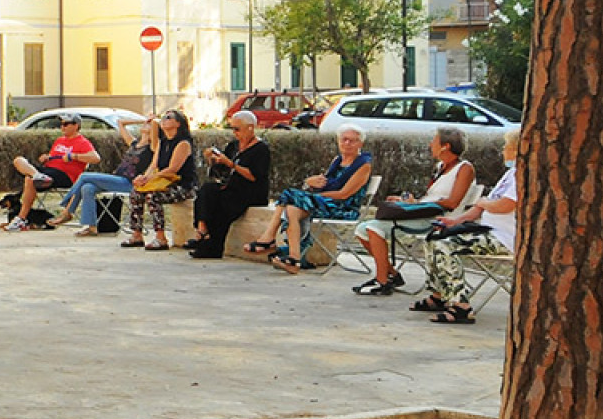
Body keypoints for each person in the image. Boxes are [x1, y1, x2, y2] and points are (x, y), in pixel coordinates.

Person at [349, 127, 477, 295]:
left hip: (440, 220)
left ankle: (382, 281)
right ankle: (392, 274)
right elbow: (432, 197)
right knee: (361, 229)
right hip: (425, 213)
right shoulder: (440, 167)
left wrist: (415, 206)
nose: (431, 144)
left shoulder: (464, 168)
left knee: (373, 228)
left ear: (445, 146)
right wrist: (411, 203)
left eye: (434, 141)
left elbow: (453, 202)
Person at [410, 130, 520, 324]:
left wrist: (485, 203)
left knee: (446, 245)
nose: (503, 151)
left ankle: (461, 306)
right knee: (435, 236)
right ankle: (439, 294)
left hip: (504, 237)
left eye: (506, 147)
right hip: (487, 230)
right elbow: (480, 206)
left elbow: (505, 205)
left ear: (517, 149)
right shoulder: (510, 174)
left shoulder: (523, 175)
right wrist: (456, 221)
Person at [243, 124, 375, 274]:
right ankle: (294, 259)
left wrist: (313, 195)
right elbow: (322, 184)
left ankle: (268, 237)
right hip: (324, 204)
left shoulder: (363, 165)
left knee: (289, 194)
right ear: (338, 141)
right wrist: (309, 183)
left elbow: (344, 195)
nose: (347, 143)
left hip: (343, 208)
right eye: (344, 139)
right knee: (292, 208)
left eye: (353, 140)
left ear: (361, 144)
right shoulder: (337, 161)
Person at [187, 111, 271, 259]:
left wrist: (231, 164)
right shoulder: (234, 146)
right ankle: (202, 229)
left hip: (250, 191)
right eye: (233, 129)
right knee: (206, 191)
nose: (235, 133)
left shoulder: (261, 149)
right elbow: (221, 172)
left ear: (250, 128)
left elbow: (254, 176)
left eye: (237, 129)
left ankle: (210, 244)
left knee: (223, 206)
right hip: (231, 187)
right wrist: (213, 160)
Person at [3, 113, 100, 231]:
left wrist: (74, 156)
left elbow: (95, 158)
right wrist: (47, 158)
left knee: (29, 179)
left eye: (66, 124)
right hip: (48, 172)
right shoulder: (59, 141)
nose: (62, 127)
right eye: (61, 124)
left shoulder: (82, 142)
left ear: (76, 126)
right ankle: (38, 176)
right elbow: (55, 157)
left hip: (65, 175)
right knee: (19, 161)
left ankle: (21, 219)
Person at [64, 115, 153, 236]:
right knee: (87, 187)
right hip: (117, 179)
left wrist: (154, 123)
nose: (146, 125)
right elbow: (120, 122)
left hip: (129, 182)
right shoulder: (134, 143)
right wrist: (143, 119)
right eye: (146, 123)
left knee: (85, 176)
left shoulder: (152, 147)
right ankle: (91, 227)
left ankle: (67, 210)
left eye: (149, 124)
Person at [122, 110, 199, 250]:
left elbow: (172, 169)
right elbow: (154, 165)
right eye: (163, 117)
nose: (164, 120)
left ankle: (161, 237)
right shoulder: (162, 143)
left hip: (182, 185)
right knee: (136, 193)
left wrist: (151, 178)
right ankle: (137, 234)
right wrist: (144, 177)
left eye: (168, 118)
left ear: (178, 123)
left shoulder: (183, 143)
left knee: (153, 196)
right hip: (163, 182)